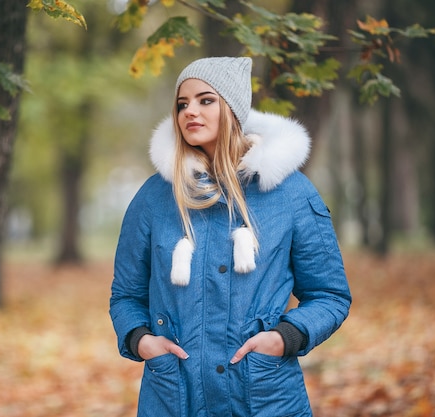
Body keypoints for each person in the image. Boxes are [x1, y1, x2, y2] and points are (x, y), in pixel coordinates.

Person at [109, 56, 352, 417]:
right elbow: (126, 295)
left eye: (205, 100)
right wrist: (141, 341)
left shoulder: (289, 193)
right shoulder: (155, 197)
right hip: (174, 398)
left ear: (233, 109)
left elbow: (330, 294)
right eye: (182, 104)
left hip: (265, 398)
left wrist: (285, 337)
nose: (190, 111)